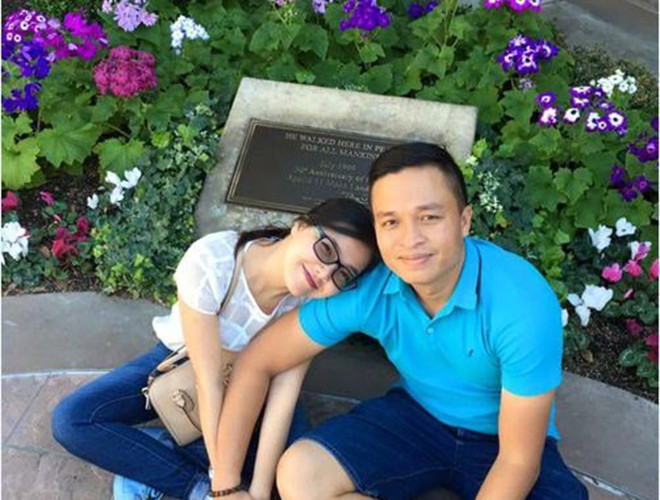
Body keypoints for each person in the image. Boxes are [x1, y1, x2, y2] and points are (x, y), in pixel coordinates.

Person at [210, 142, 589, 500]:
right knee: (300, 473)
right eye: (391, 222)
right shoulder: (373, 288)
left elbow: (518, 460)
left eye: (429, 217)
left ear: (464, 220)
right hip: (415, 418)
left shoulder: (520, 304)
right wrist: (226, 487)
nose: (410, 239)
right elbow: (260, 360)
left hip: (501, 438)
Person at [51, 198, 379, 500]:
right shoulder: (215, 259)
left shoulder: (312, 308)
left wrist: (258, 493)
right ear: (300, 226)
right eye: (326, 249)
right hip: (181, 370)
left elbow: (284, 396)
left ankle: (151, 460)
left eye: (342, 275)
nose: (324, 272)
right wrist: (222, 487)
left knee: (293, 477)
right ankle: (192, 485)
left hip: (256, 398)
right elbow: (207, 384)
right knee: (73, 420)